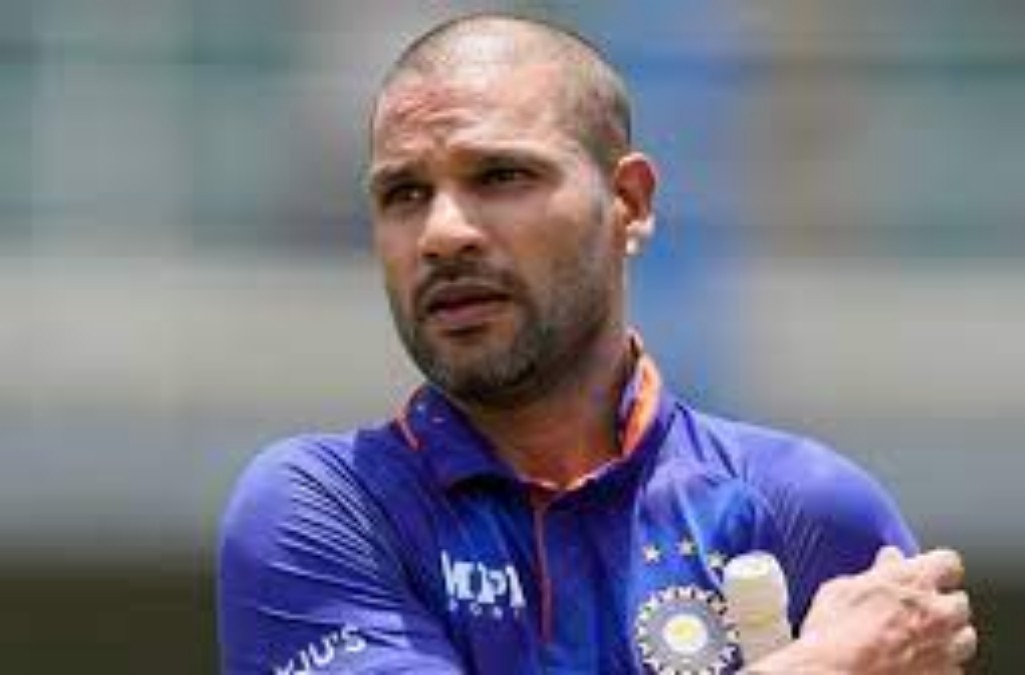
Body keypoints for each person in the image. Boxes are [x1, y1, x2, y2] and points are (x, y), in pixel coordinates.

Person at [217, 12, 976, 674]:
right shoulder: (323, 509)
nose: (442, 232)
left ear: (629, 202)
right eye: (403, 193)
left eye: (501, 175)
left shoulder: (806, 508)